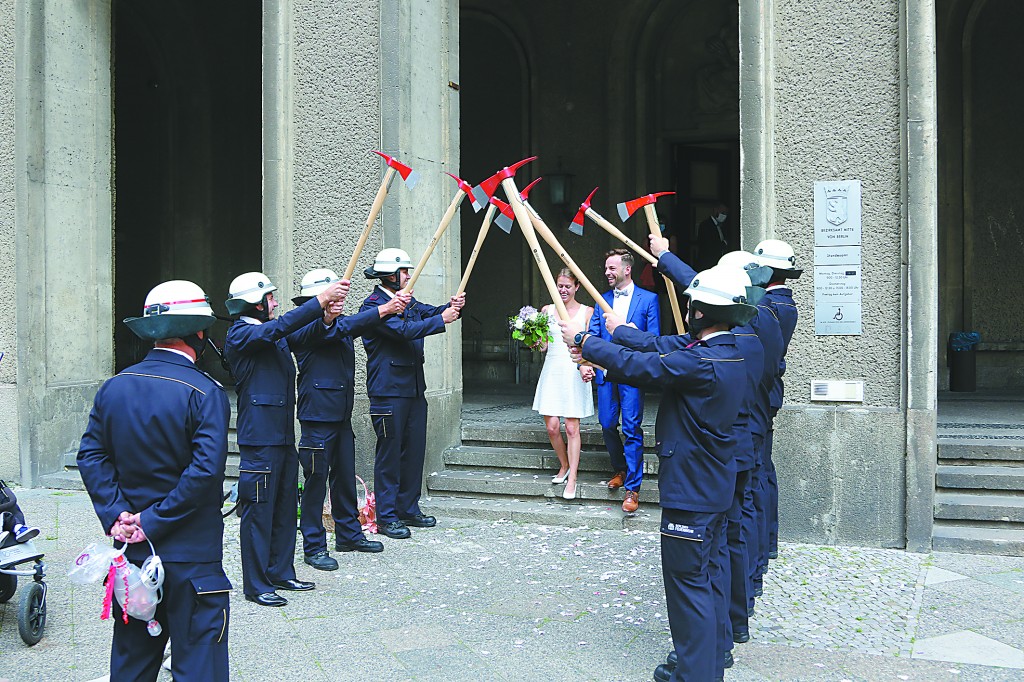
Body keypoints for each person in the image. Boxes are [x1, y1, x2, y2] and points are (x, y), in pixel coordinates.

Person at [560, 266, 755, 682]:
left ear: (699, 311)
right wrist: (614, 335)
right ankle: (711, 656)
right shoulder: (729, 347)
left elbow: (648, 368)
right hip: (713, 485)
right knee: (711, 576)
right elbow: (655, 350)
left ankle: (696, 673)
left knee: (689, 588)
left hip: (692, 491)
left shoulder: (702, 361)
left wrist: (585, 341)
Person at [77, 280, 231, 681]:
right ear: (199, 332)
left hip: (131, 552)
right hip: (191, 555)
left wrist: (118, 516)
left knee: (132, 661)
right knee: (199, 661)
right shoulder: (205, 392)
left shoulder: (114, 386)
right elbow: (205, 472)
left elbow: (91, 455)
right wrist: (151, 521)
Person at [224, 271, 347, 607]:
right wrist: (319, 301)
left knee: (282, 509)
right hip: (259, 441)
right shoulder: (242, 334)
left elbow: (297, 332)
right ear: (255, 302)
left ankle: (280, 571)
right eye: (271, 298)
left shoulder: (269, 333)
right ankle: (256, 583)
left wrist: (325, 316)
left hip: (281, 437)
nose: (276, 303)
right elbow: (279, 328)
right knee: (258, 514)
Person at [287, 268, 409, 570]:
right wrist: (384, 308)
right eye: (330, 300)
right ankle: (314, 546)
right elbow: (334, 328)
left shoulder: (337, 323)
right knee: (316, 483)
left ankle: (348, 534)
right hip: (317, 417)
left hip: (340, 416)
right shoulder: (305, 326)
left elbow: (350, 325)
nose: (337, 306)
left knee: (343, 478)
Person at [360, 248, 464, 539]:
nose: (408, 276)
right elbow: (404, 330)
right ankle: (387, 515)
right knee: (390, 454)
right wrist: (442, 319)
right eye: (404, 271)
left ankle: (408, 507)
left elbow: (427, 312)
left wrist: (450, 306)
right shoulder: (374, 306)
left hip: (413, 389)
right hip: (388, 392)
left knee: (414, 451)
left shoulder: (404, 300)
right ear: (389, 275)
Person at [586, 248, 660, 513]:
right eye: (606, 268)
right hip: (606, 373)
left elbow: (654, 338)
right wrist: (587, 363)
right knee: (606, 424)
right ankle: (620, 467)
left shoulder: (649, 299)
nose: (607, 272)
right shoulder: (601, 299)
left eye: (612, 268)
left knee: (631, 428)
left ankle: (632, 488)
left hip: (631, 373)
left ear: (627, 269)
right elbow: (593, 335)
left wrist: (630, 333)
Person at [752, 239, 801, 565]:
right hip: (769, 394)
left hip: (759, 394)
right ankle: (767, 542)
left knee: (758, 474)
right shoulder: (784, 304)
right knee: (764, 471)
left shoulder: (767, 308)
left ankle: (761, 544)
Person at [530, 269, 595, 501]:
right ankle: (564, 464)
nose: (563, 290)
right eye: (560, 285)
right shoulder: (547, 310)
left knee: (571, 427)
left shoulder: (587, 312)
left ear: (577, 287)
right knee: (552, 426)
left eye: (568, 286)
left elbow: (591, 344)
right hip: (552, 369)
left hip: (573, 369)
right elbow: (544, 346)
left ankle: (574, 477)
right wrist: (533, 339)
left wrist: (588, 365)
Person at [696, 204, 732, 271]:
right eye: (723, 213)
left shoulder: (722, 227)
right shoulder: (705, 225)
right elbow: (708, 246)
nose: (724, 216)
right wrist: (724, 243)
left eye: (726, 213)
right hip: (707, 265)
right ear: (715, 210)